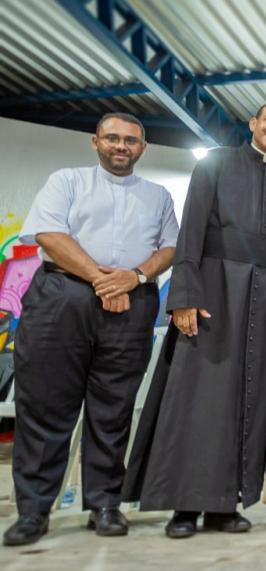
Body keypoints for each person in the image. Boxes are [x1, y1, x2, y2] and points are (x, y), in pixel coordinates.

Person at [123, 102, 266, 539]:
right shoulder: (216, 163)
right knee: (198, 397)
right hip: (213, 291)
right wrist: (184, 296)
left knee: (251, 398)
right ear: (254, 124)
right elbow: (191, 231)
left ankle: (227, 504)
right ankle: (184, 505)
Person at [3, 113, 178, 546]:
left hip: (132, 302)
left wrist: (134, 276)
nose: (122, 146)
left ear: (142, 148)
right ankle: (34, 510)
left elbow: (171, 246)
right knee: (45, 406)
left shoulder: (157, 196)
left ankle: (104, 503)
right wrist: (102, 280)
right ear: (95, 142)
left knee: (114, 408)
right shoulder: (67, 181)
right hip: (62, 297)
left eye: (131, 141)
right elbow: (48, 234)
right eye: (113, 138)